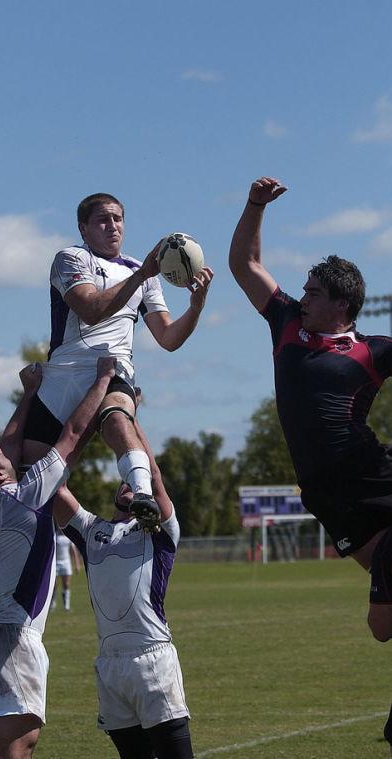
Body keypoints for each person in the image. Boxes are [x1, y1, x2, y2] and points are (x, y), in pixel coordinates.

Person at [229, 176, 392, 749]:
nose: (303, 296)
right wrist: (254, 206)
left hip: (374, 475)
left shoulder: (373, 350)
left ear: (342, 305)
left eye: (314, 291)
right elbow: (244, 264)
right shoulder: (287, 325)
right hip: (326, 496)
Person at [0, 356, 116, 759]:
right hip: (11, 644)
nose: (8, 452)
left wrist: (30, 392)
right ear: (1, 473)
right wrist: (105, 375)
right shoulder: (28, 497)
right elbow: (71, 433)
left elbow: (10, 446)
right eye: (1, 457)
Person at [22, 192, 213, 530]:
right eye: (103, 219)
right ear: (83, 228)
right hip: (64, 375)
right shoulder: (71, 258)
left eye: (118, 219)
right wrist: (140, 276)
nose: (113, 226)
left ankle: (142, 495)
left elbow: (168, 338)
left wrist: (196, 308)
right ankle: (89, 534)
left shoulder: (144, 272)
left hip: (112, 369)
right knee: (33, 480)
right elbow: (90, 310)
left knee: (117, 421)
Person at [54, 404, 193, 759]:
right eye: (126, 479)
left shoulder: (157, 532)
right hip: (109, 665)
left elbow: (154, 475)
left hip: (153, 661)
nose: (131, 484)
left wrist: (128, 421)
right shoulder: (90, 530)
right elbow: (53, 487)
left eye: (136, 480)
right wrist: (84, 424)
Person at [50, 528, 80, 611]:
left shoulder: (68, 537)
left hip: (66, 563)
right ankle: (53, 604)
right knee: (54, 585)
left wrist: (77, 564)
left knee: (66, 584)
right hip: (55, 564)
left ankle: (66, 606)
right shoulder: (54, 536)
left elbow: (74, 551)